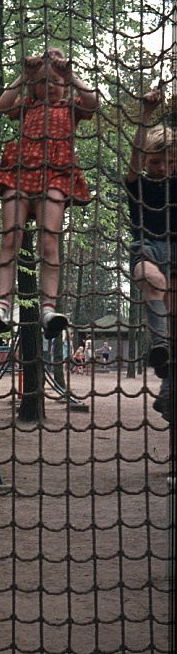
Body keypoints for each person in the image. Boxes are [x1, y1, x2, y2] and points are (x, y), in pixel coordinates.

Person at [0, 48, 98, 340]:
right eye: (42, 81)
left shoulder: (70, 105)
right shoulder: (27, 105)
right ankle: (3, 305)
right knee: (10, 237)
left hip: (55, 174)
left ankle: (48, 308)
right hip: (20, 170)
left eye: (55, 81)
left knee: (49, 241)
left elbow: (93, 103)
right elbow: (2, 107)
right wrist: (24, 75)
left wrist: (70, 74)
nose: (49, 86)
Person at [125, 87, 175, 422]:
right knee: (148, 276)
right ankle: (158, 346)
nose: (162, 168)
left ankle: (168, 392)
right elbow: (135, 154)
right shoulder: (137, 184)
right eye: (156, 162)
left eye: (170, 162)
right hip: (148, 245)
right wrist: (145, 114)